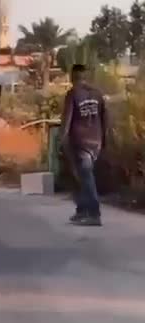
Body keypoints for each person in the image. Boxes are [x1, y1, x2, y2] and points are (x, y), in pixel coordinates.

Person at [61, 63, 108, 227]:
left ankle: (94, 213)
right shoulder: (98, 94)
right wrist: (104, 142)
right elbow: (105, 119)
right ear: (85, 76)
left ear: (72, 77)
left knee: (84, 177)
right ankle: (82, 210)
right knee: (82, 176)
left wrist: (62, 139)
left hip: (80, 143)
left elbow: (66, 120)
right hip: (96, 142)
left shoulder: (72, 94)